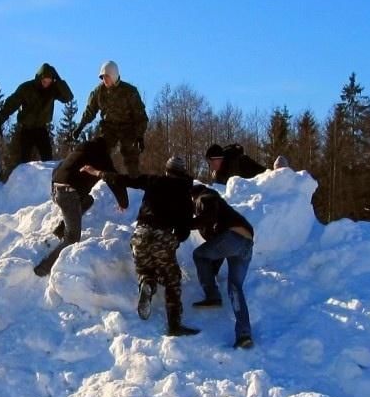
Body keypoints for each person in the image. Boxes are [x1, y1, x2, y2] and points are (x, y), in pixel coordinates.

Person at [85, 156, 199, 336]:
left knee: (145, 269)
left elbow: (125, 179)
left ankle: (147, 284)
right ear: (183, 172)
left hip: (140, 234)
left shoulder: (155, 181)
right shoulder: (185, 193)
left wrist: (98, 172)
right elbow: (184, 227)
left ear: (167, 170)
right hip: (163, 235)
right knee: (172, 280)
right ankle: (174, 325)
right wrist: (176, 240)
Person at [33, 136, 128, 277]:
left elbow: (59, 168)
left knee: (88, 200)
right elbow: (113, 179)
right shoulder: (102, 156)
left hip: (56, 189)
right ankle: (43, 268)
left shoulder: (80, 149)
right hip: (68, 194)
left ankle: (61, 229)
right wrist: (123, 202)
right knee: (72, 238)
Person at [190, 185, 256, 349]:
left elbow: (208, 212)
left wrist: (186, 224)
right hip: (246, 243)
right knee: (235, 288)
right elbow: (218, 249)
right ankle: (244, 335)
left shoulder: (204, 197)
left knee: (199, 254)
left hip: (233, 238)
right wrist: (212, 272)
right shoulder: (221, 209)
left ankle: (212, 295)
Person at [0, 63, 74, 172]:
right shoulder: (26, 88)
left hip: (41, 128)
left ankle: (48, 184)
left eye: (49, 81)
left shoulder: (53, 89)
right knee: (23, 160)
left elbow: (68, 97)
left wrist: (58, 79)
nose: (46, 84)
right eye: (44, 81)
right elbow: (9, 106)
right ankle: (18, 183)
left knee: (47, 159)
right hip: (26, 129)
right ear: (39, 78)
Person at [72, 61, 148, 177]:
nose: (104, 80)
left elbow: (140, 116)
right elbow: (90, 111)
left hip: (128, 128)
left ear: (113, 75)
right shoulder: (98, 92)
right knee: (101, 151)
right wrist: (80, 126)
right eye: (102, 77)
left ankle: (135, 185)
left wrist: (139, 136)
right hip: (109, 128)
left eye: (107, 76)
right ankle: (103, 180)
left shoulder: (129, 92)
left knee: (131, 155)